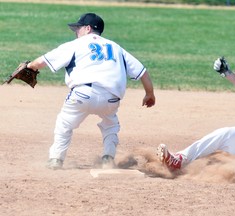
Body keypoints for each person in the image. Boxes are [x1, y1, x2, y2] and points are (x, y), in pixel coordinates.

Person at [27, 13, 156, 170]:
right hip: (111, 99)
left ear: (87, 29)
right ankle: (108, 159)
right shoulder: (116, 47)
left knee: (65, 123)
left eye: (78, 28)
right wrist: (149, 94)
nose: (76, 32)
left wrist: (30, 66)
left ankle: (56, 159)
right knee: (111, 126)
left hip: (82, 95)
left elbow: (40, 62)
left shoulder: (76, 44)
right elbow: (142, 71)